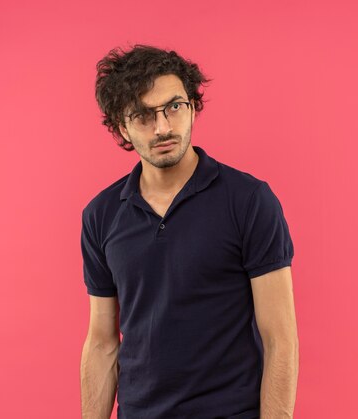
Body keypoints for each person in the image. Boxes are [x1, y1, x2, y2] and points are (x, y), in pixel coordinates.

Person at [80, 44, 298, 419]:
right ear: (122, 127)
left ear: (193, 107)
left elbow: (280, 339)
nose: (163, 126)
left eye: (174, 107)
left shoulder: (248, 201)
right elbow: (102, 343)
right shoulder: (101, 215)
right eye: (144, 115)